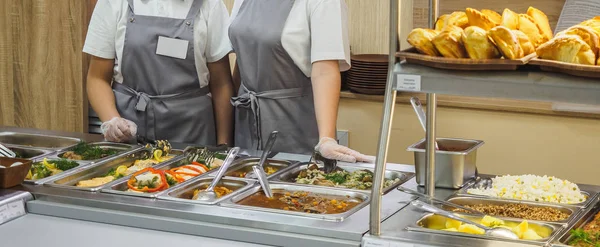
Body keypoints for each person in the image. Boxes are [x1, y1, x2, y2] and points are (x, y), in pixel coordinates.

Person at [229, 0, 372, 163]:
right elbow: (242, 59)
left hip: (293, 123)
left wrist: (327, 138)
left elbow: (324, 70)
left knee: (292, 183)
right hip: (245, 121)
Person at [84, 0, 234, 146]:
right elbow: (97, 78)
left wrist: (224, 146)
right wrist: (112, 120)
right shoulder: (115, 3)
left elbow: (222, 84)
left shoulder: (210, 5)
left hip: (193, 134)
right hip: (129, 133)